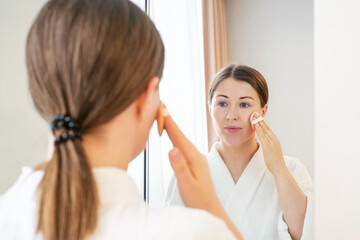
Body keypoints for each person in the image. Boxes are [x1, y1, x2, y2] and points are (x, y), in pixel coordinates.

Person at [0, 0, 243, 239]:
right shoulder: (194, 232)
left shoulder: (7, 211)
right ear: (148, 97)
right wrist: (211, 208)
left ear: (41, 93)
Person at [165, 64, 314, 240]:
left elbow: (305, 233)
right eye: (222, 103)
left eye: (244, 104)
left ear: (263, 111)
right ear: (210, 108)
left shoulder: (291, 169)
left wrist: (278, 167)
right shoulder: (188, 175)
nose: (232, 115)